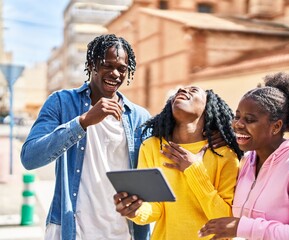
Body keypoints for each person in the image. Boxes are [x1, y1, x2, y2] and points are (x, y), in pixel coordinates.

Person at [20, 34, 151, 240]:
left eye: (122, 69)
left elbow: (154, 172)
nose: (115, 74)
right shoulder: (61, 102)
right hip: (71, 229)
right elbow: (30, 157)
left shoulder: (139, 117)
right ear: (92, 64)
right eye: (108, 65)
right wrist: (83, 122)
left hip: (123, 231)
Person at [198, 72, 289, 240]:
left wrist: (242, 227)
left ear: (276, 127)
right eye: (237, 116)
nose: (238, 124)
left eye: (249, 119)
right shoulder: (247, 161)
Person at [113, 86, 243, 240]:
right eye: (179, 91)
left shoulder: (224, 154)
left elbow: (225, 217)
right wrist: (135, 211)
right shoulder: (152, 147)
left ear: (207, 108)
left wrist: (194, 170)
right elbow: (156, 208)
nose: (182, 90)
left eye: (193, 90)